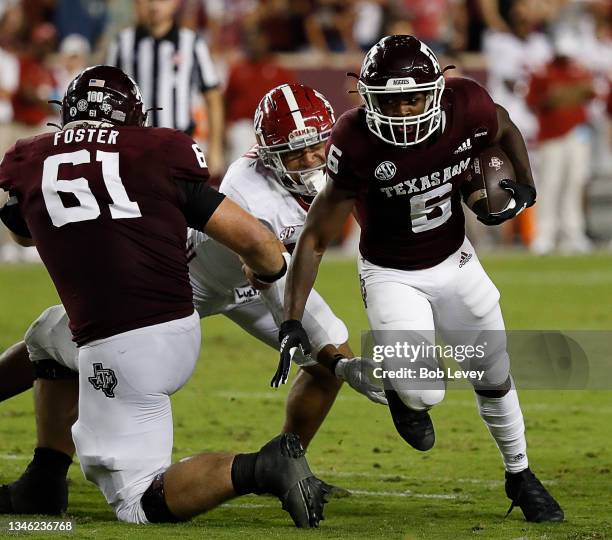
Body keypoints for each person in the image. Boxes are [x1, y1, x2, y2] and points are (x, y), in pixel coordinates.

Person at [0, 82, 384, 515]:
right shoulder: (231, 180)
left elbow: (22, 231)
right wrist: (301, 328)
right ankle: (46, 480)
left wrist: (335, 358)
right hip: (200, 280)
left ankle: (291, 458)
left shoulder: (43, 155)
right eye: (294, 153)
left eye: (317, 146)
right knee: (51, 333)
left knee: (325, 366)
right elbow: (259, 252)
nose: (311, 159)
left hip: (224, 288)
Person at [275, 35, 564, 523]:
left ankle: (520, 474)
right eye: (391, 100)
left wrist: (526, 185)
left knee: (492, 375)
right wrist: (292, 317)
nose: (405, 110)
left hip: (457, 261)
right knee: (424, 393)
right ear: (368, 98)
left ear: (436, 89)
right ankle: (399, 389)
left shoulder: (467, 103)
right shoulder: (355, 139)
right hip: (392, 275)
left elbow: (506, 127)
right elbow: (317, 235)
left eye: (413, 97)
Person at [106, 0, 225, 178]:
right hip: (133, 146)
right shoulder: (123, 42)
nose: (154, 6)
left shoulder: (191, 42)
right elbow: (107, 96)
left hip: (179, 144)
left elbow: (213, 96)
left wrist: (216, 148)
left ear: (176, 3)